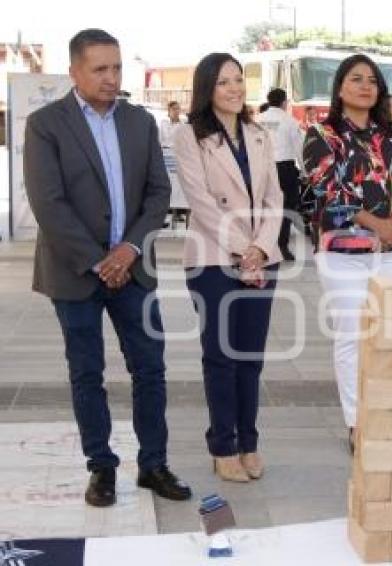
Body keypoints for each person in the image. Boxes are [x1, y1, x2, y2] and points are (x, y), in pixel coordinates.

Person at [23, 28, 192, 507]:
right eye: (100, 68)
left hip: (133, 271)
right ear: (74, 71)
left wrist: (129, 251)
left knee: (151, 370)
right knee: (86, 374)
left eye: (117, 67)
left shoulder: (139, 122)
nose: (111, 77)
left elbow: (159, 193)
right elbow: (48, 203)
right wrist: (100, 260)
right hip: (74, 273)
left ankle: (153, 464)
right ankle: (101, 468)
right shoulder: (45, 124)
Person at [172, 53, 283, 482]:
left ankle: (249, 441)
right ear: (207, 89)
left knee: (250, 357)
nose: (235, 88)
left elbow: (275, 197)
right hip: (214, 259)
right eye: (224, 82)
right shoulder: (190, 137)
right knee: (221, 356)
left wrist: (261, 247)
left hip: (261, 258)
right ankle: (223, 446)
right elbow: (199, 202)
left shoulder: (259, 133)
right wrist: (242, 248)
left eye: (239, 80)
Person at [303, 54, 392, 453]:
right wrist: (375, 223)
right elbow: (326, 191)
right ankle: (356, 422)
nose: (366, 86)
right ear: (340, 87)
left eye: (372, 80)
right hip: (342, 253)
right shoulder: (322, 134)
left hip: (391, 251)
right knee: (352, 336)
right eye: (356, 79)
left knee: (388, 335)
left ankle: (383, 414)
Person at [256, 88, 305, 261]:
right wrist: (305, 173)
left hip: (261, 168)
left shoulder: (257, 120)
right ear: (284, 102)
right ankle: (282, 246)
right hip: (285, 169)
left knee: (262, 207)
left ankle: (261, 245)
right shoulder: (290, 121)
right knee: (287, 208)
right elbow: (300, 149)